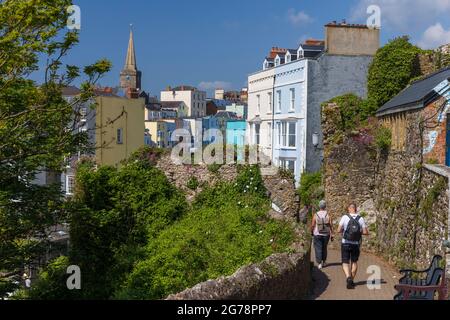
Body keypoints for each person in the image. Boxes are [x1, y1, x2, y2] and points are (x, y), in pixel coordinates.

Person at [337, 203, 369, 289]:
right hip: (355, 243)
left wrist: (344, 229)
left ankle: (348, 277)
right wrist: (359, 232)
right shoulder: (360, 218)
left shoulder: (345, 217)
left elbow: (338, 230)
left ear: (349, 208)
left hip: (345, 242)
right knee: (354, 262)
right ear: (356, 209)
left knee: (345, 262)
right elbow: (366, 232)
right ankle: (352, 280)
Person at [311, 200, 333, 269]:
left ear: (319, 206)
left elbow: (313, 225)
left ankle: (319, 263)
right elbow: (330, 225)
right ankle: (324, 261)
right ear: (325, 206)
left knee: (318, 248)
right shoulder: (328, 214)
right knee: (324, 248)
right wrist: (332, 234)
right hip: (326, 234)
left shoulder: (316, 214)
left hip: (317, 233)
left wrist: (311, 231)